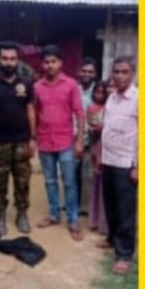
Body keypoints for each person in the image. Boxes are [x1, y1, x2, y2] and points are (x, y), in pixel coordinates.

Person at [0, 41, 36, 235]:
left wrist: (33, 138)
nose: (9, 62)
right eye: (5, 58)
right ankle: (0, 215)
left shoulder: (26, 83)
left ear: (18, 60)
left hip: (21, 140)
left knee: (22, 180)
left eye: (12, 59)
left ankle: (22, 215)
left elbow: (30, 109)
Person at [33, 45, 85, 241]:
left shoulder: (71, 85)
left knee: (69, 182)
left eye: (53, 61)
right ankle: (54, 214)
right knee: (49, 181)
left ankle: (73, 219)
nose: (50, 65)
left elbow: (79, 113)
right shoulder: (37, 87)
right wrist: (33, 137)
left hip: (66, 141)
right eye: (46, 62)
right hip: (45, 140)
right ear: (42, 64)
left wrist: (79, 140)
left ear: (60, 63)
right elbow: (34, 114)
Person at [100, 57, 138, 275]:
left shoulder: (139, 98)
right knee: (111, 205)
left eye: (124, 72)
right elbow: (108, 127)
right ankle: (112, 239)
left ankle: (124, 255)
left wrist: (138, 166)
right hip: (108, 159)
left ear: (132, 73)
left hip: (126, 163)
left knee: (125, 210)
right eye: (116, 71)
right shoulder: (112, 98)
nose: (120, 76)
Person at [76, 57, 98, 217]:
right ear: (79, 72)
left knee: (89, 175)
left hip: (92, 140)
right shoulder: (73, 90)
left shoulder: (99, 92)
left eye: (90, 72)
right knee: (72, 174)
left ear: (95, 74)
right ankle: (73, 205)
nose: (86, 74)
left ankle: (87, 208)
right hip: (74, 138)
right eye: (84, 71)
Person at [87, 81, 109, 235]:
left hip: (110, 148)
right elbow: (91, 125)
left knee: (106, 187)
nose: (100, 95)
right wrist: (95, 128)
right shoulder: (92, 108)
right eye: (97, 92)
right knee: (96, 183)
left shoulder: (110, 108)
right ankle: (95, 219)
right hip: (97, 146)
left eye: (103, 92)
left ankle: (104, 221)